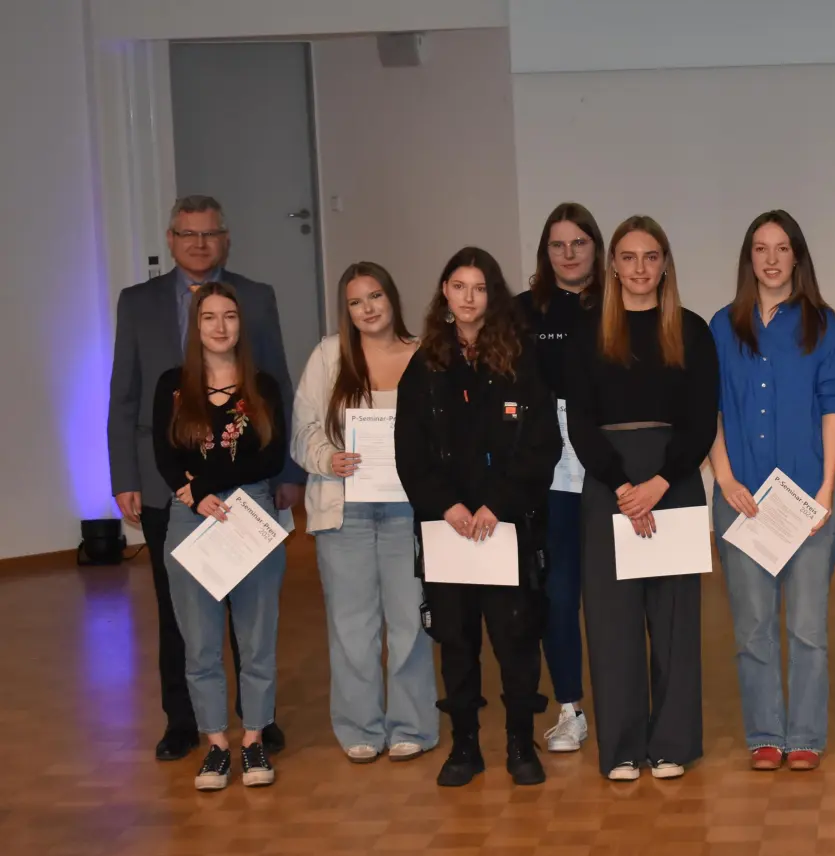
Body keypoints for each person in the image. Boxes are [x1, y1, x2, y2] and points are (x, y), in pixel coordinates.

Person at [107, 194, 299, 761]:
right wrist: (125, 474)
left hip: (249, 487)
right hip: (172, 481)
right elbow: (125, 395)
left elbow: (277, 388)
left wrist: (288, 471)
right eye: (186, 234)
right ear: (170, 239)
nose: (198, 243)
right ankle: (184, 722)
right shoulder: (137, 302)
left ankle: (255, 724)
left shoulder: (256, 298)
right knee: (181, 614)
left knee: (252, 612)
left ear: (225, 238)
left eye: (209, 233)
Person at [394, 247, 562, 788]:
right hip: (448, 529)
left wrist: (498, 505)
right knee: (457, 641)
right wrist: (448, 507)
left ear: (493, 296)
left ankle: (519, 741)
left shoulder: (518, 359)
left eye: (480, 288)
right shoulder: (424, 366)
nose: (469, 297)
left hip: (506, 525)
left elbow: (542, 446)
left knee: (516, 639)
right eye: (459, 286)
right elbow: (409, 454)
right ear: (444, 291)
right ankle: (464, 744)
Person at [566, 216, 719, 781]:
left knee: (675, 618)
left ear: (664, 263)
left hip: (672, 482)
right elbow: (579, 421)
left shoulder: (693, 330)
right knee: (611, 620)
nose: (639, 268)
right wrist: (622, 485)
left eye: (650, 257)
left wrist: (659, 482)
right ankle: (624, 747)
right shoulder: (589, 334)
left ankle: (673, 743)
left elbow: (702, 420)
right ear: (613, 265)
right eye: (628, 257)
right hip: (609, 486)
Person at [709, 211, 835, 772]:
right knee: (752, 627)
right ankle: (765, 733)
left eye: (782, 248)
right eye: (761, 249)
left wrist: (826, 486)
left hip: (808, 503)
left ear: (798, 257)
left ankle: (807, 737)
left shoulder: (823, 324)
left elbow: (833, 406)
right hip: (742, 499)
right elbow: (712, 409)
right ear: (749, 258)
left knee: (808, 628)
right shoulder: (724, 326)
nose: (772, 259)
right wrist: (724, 479)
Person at [292, 262, 438, 764]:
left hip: (408, 512)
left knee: (409, 623)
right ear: (346, 310)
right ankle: (359, 727)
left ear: (392, 297)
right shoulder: (329, 355)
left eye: (375, 296)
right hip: (345, 509)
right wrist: (327, 459)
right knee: (352, 627)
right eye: (356, 302)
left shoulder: (426, 354)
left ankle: (412, 727)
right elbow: (303, 429)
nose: (368, 309)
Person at [153, 282, 289, 791]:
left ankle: (253, 740)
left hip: (250, 513)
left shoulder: (263, 385)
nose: (220, 326)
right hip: (191, 514)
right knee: (200, 646)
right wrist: (194, 494)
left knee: (256, 640)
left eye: (229, 316)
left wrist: (214, 487)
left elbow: (270, 458)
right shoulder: (172, 383)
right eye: (209, 317)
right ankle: (215, 745)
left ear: (240, 324)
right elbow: (165, 454)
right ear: (196, 324)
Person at [513, 202, 605, 754]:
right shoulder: (524, 311)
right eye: (557, 245)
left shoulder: (620, 303)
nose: (569, 254)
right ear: (545, 253)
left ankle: (624, 700)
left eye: (579, 243)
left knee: (615, 591)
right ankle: (570, 707)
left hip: (612, 460)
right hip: (548, 462)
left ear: (596, 247)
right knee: (558, 589)